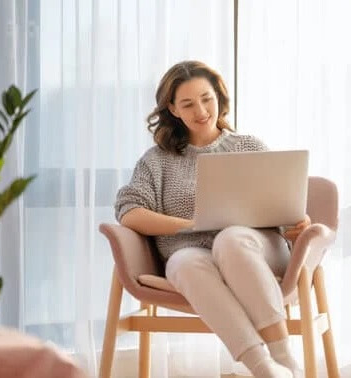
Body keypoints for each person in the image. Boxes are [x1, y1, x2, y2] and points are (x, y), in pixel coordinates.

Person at [114, 60, 310, 378]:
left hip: (254, 249)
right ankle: (265, 370)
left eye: (207, 98)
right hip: (192, 253)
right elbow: (130, 211)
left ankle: (285, 358)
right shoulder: (157, 160)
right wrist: (189, 225)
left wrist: (297, 222)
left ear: (219, 96)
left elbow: (283, 204)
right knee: (182, 263)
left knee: (231, 238)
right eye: (188, 104)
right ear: (173, 110)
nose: (201, 110)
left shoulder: (248, 147)